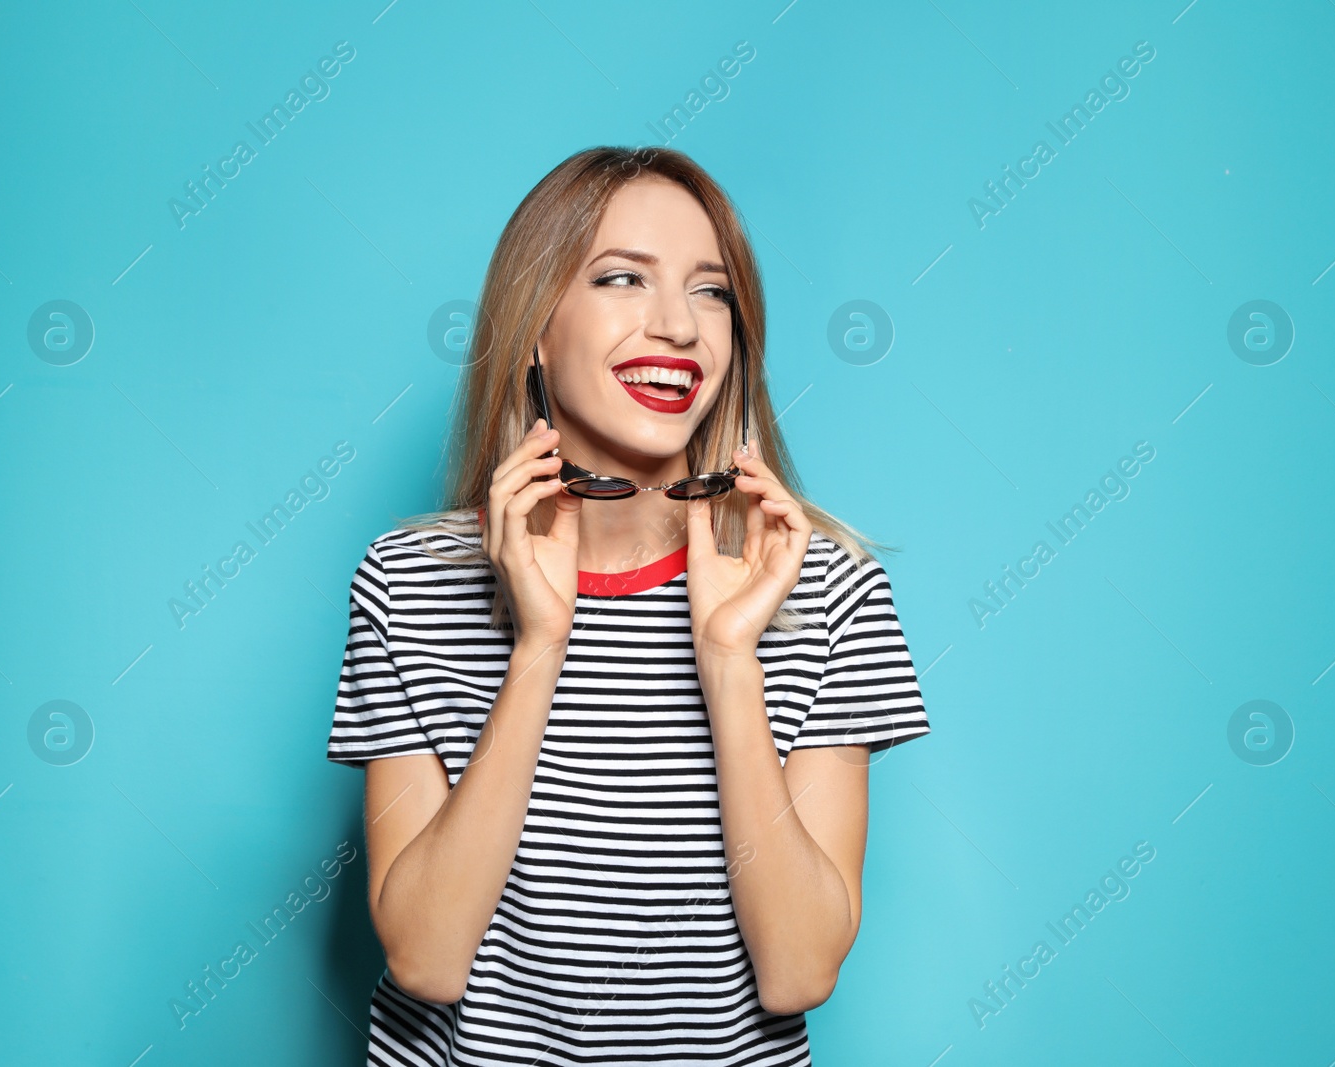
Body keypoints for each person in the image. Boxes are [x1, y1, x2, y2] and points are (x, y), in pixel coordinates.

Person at [326, 145, 930, 1066]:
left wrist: (730, 660)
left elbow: (800, 972)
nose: (677, 326)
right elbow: (426, 958)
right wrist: (538, 646)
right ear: (536, 327)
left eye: (711, 291)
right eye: (621, 278)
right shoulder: (411, 579)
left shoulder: (825, 587)